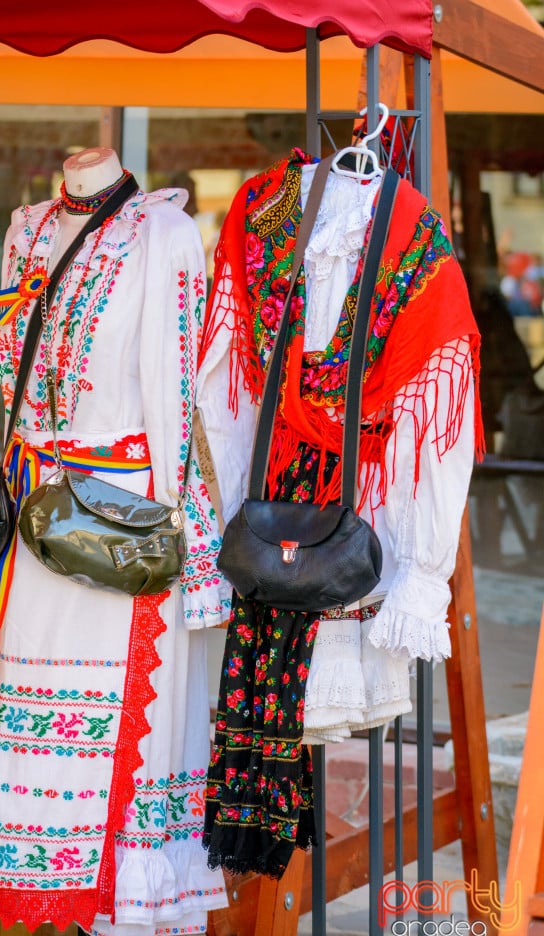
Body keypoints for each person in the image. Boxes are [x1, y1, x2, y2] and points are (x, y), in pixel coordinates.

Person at [196, 148, 484, 878]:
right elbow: (221, 394)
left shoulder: (411, 235)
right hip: (284, 495)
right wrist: (220, 513)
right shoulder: (262, 211)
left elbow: (436, 430)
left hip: (348, 504)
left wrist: (423, 572)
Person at [0, 147, 230, 936]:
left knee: (122, 728)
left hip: (122, 526)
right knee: (38, 729)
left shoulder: (164, 235)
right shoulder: (27, 230)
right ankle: (48, 888)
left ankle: (115, 903)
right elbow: (16, 389)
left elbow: (177, 392)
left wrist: (186, 535)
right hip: (36, 519)